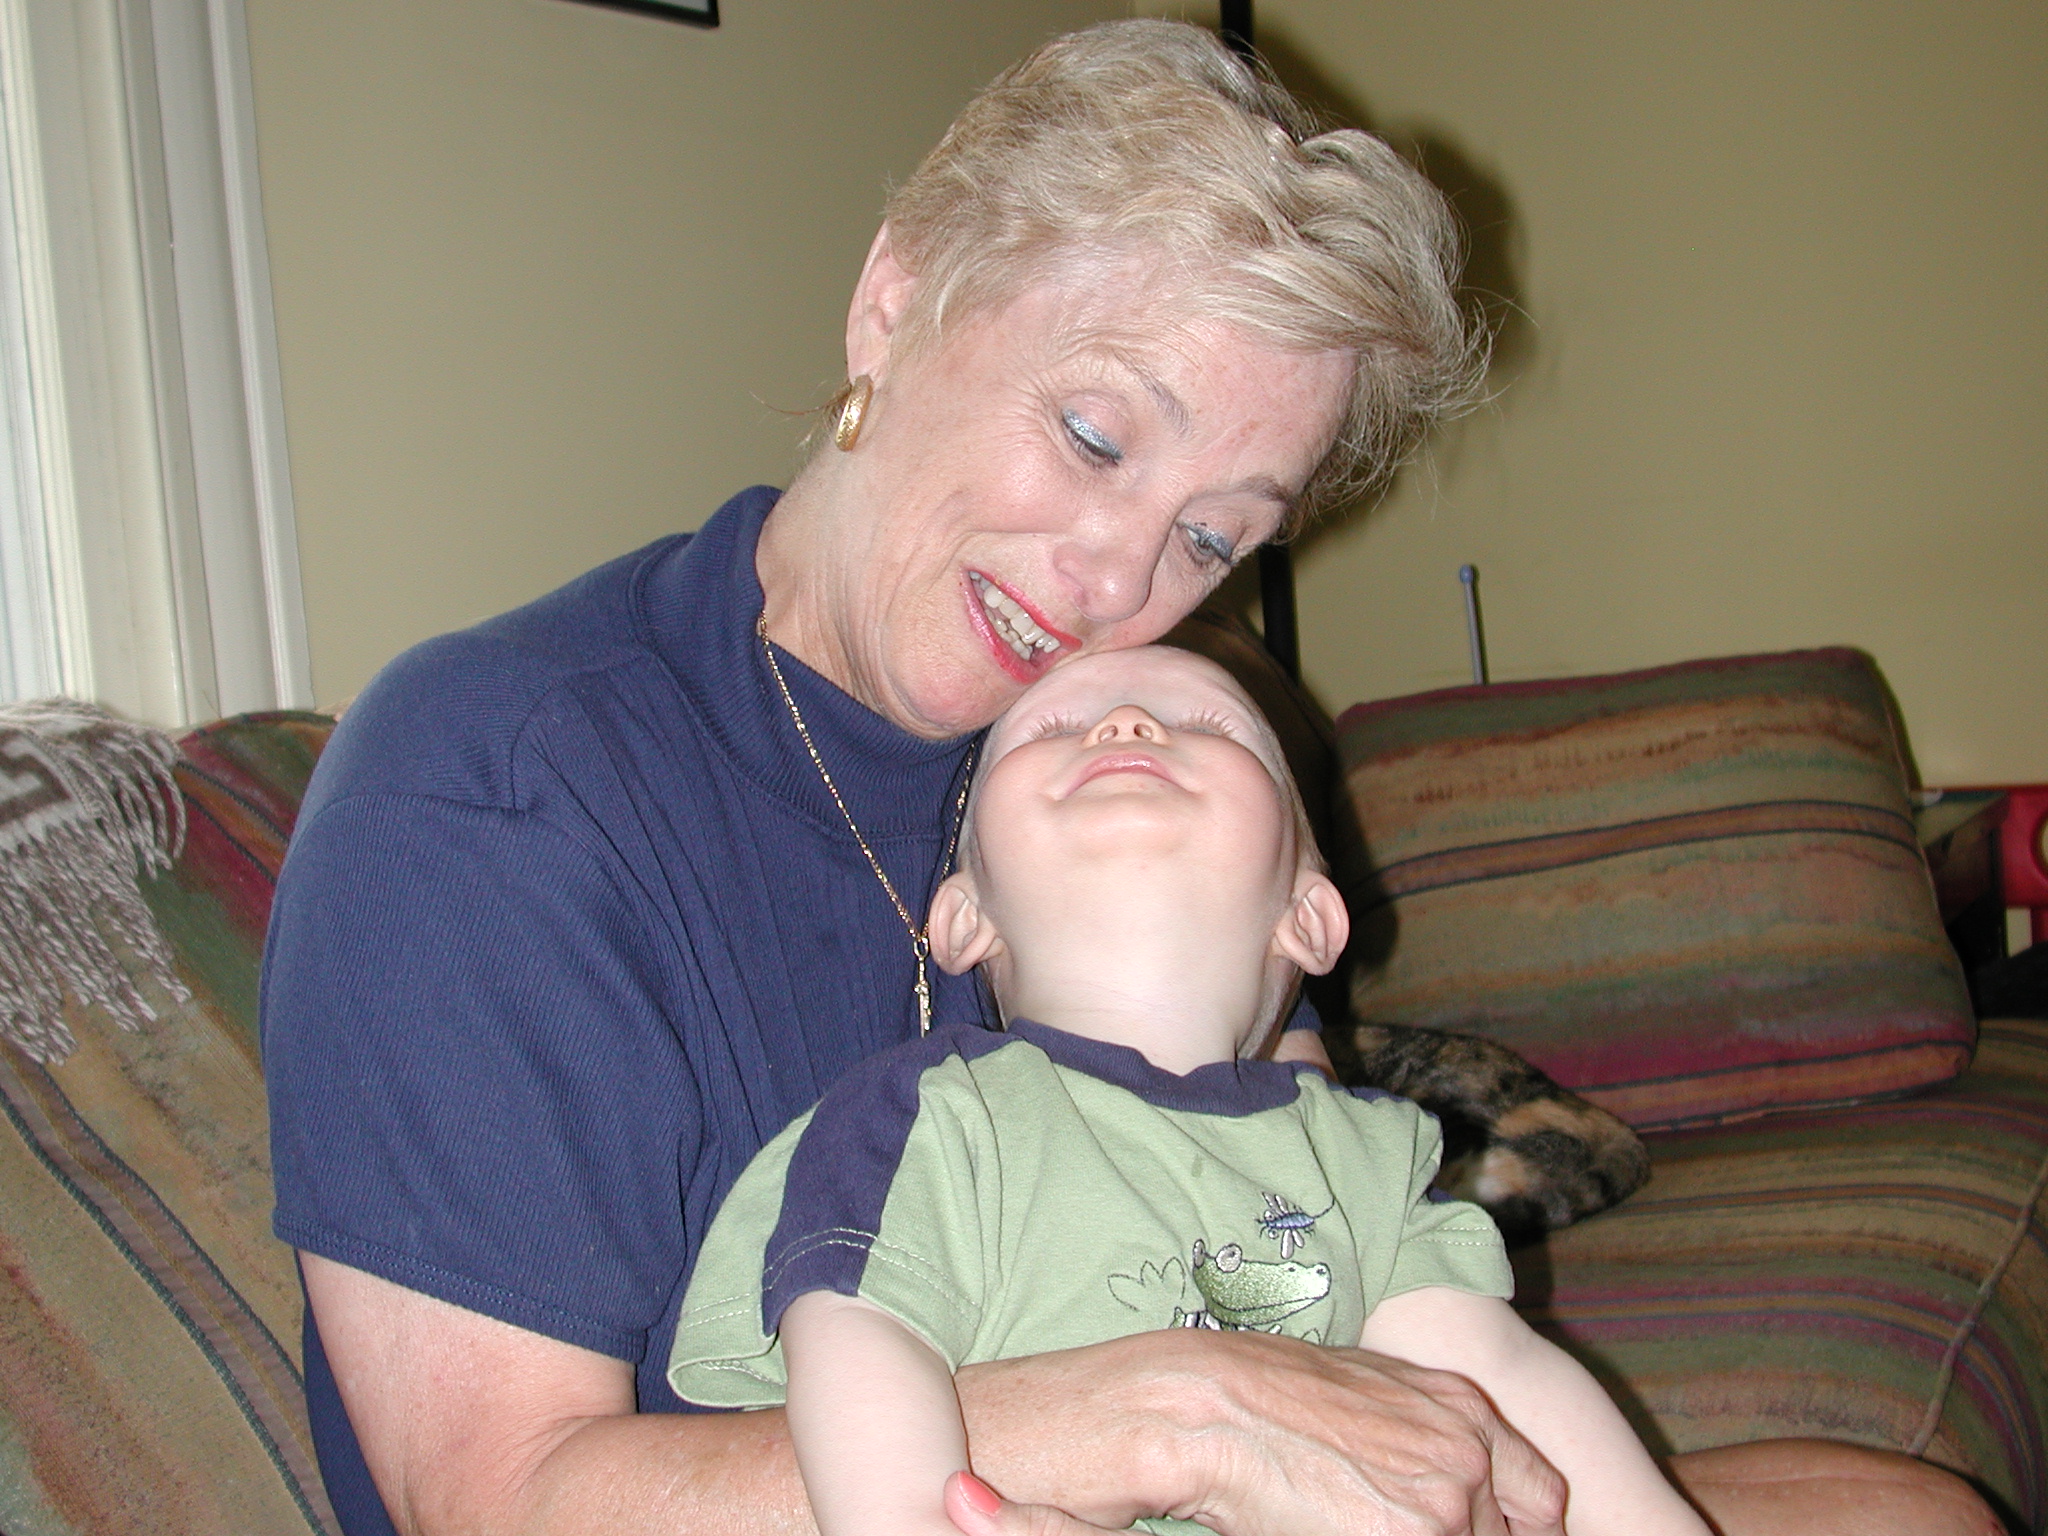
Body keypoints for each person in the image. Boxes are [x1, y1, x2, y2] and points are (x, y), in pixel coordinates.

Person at [260, 18, 1994, 1536]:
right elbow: (499, 1501)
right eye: (1093, 434)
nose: (1112, 582)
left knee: (1905, 1513)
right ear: (894, 303)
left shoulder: (1103, 752)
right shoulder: (496, 784)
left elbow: (1287, 1192)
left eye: (1211, 536)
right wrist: (1176, 1412)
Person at [667, 646, 1716, 1536]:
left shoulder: (1367, 1157)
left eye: (1207, 724)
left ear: (1311, 916)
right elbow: (853, 1349)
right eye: (1050, 729)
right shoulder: (922, 1120)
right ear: (961, 917)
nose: (1124, 724)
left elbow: (1497, 1383)